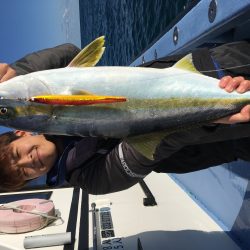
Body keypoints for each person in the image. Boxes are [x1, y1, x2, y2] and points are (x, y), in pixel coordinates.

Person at [0, 41, 250, 194]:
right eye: (23, 174)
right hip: (226, 130)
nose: (27, 163)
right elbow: (146, 147)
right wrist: (208, 117)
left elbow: (70, 52)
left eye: (16, 155)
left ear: (20, 133)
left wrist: (19, 73)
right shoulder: (90, 180)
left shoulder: (46, 90)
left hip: (213, 64)